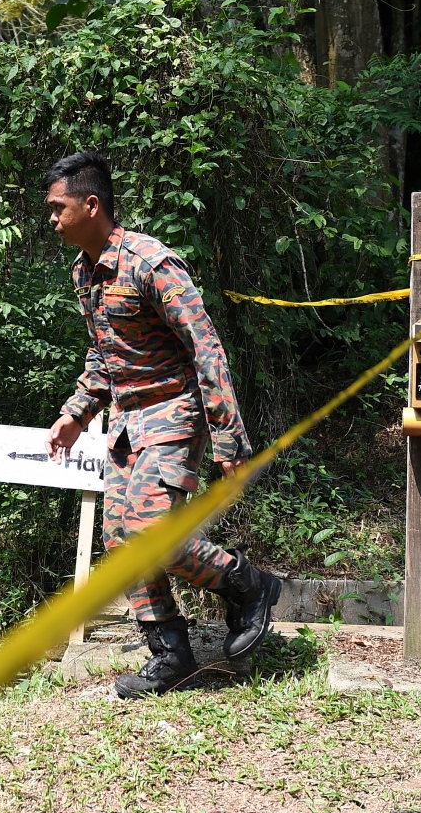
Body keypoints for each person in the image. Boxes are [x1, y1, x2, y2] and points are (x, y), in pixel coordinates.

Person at [42, 152, 280, 699]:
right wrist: (75, 413)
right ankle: (171, 654)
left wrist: (228, 437)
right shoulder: (84, 271)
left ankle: (248, 586)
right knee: (120, 540)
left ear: (91, 204)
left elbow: (206, 347)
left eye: (58, 208)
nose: (52, 219)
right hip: (127, 421)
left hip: (174, 410)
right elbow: (105, 354)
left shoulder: (150, 263)